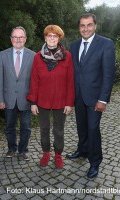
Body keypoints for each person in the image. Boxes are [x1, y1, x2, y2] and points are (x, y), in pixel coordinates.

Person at [67, 13, 116, 180]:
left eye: (89, 25)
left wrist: (103, 99)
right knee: (81, 126)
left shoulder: (106, 44)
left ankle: (95, 162)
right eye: (82, 25)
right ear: (79, 27)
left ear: (95, 26)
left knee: (93, 129)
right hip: (78, 96)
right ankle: (82, 150)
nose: (85, 28)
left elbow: (109, 74)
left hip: (95, 98)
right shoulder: (73, 46)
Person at [26, 25, 74, 169]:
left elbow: (70, 81)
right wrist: (33, 102)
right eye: (49, 36)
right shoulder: (37, 57)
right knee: (44, 128)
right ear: (45, 37)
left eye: (55, 36)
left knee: (58, 129)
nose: (52, 38)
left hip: (61, 100)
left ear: (59, 38)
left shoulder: (67, 56)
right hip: (42, 100)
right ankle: (46, 152)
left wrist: (69, 103)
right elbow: (34, 80)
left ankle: (58, 154)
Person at [0, 26, 36, 160]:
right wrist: (0, 99)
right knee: (9, 126)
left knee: (26, 127)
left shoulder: (33, 56)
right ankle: (11, 148)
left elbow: (35, 81)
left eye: (21, 37)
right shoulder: (3, 55)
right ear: (11, 39)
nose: (18, 40)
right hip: (8, 98)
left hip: (26, 99)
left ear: (25, 39)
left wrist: (34, 101)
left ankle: (23, 150)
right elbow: (0, 78)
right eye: (15, 37)